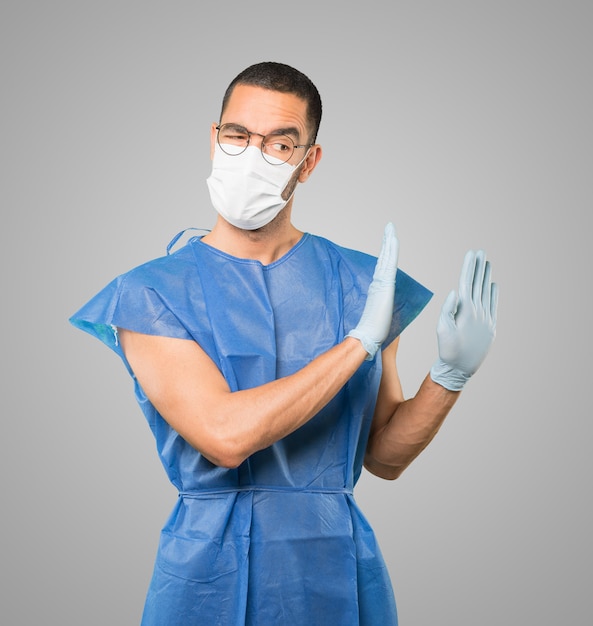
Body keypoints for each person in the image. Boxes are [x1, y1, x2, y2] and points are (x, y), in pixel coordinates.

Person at [70, 61, 498, 625]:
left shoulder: (361, 283)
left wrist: (449, 377)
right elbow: (224, 437)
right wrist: (358, 343)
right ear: (214, 139)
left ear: (308, 160)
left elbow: (383, 458)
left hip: (335, 569)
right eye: (238, 135)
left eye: (279, 143)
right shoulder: (153, 292)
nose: (251, 154)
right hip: (209, 577)